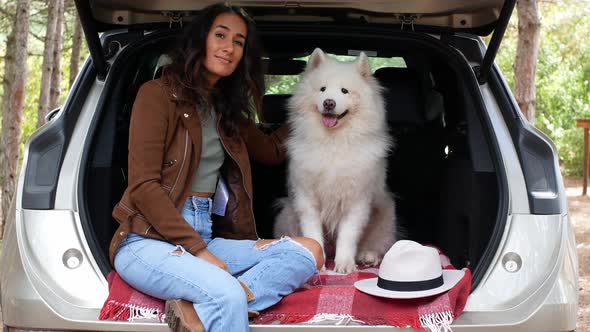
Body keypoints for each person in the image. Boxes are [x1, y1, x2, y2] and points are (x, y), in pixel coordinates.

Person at [108, 3, 324, 332]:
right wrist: (198, 251)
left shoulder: (227, 110)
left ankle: (195, 316)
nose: (229, 47)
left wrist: (311, 111)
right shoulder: (157, 96)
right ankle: (223, 301)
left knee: (308, 251)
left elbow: (271, 152)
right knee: (224, 295)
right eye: (220, 35)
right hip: (146, 240)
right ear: (200, 40)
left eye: (239, 41)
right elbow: (143, 187)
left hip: (205, 234)